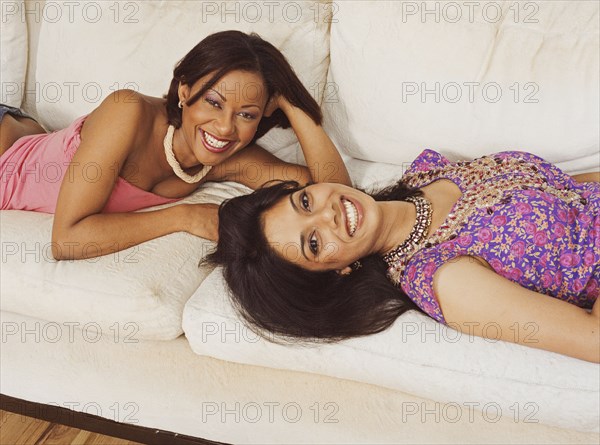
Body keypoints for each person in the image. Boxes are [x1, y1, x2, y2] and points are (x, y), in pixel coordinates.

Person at [208, 149, 600, 363]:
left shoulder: (423, 176)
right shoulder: (446, 278)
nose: (326, 214)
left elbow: (563, 189)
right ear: (339, 271)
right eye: (313, 243)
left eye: (305, 200)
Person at [0, 31, 351, 260]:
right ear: (184, 92)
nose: (225, 127)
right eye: (213, 103)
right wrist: (181, 217)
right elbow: (67, 240)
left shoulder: (224, 157)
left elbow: (334, 192)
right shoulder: (128, 112)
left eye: (246, 114)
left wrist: (292, 104)